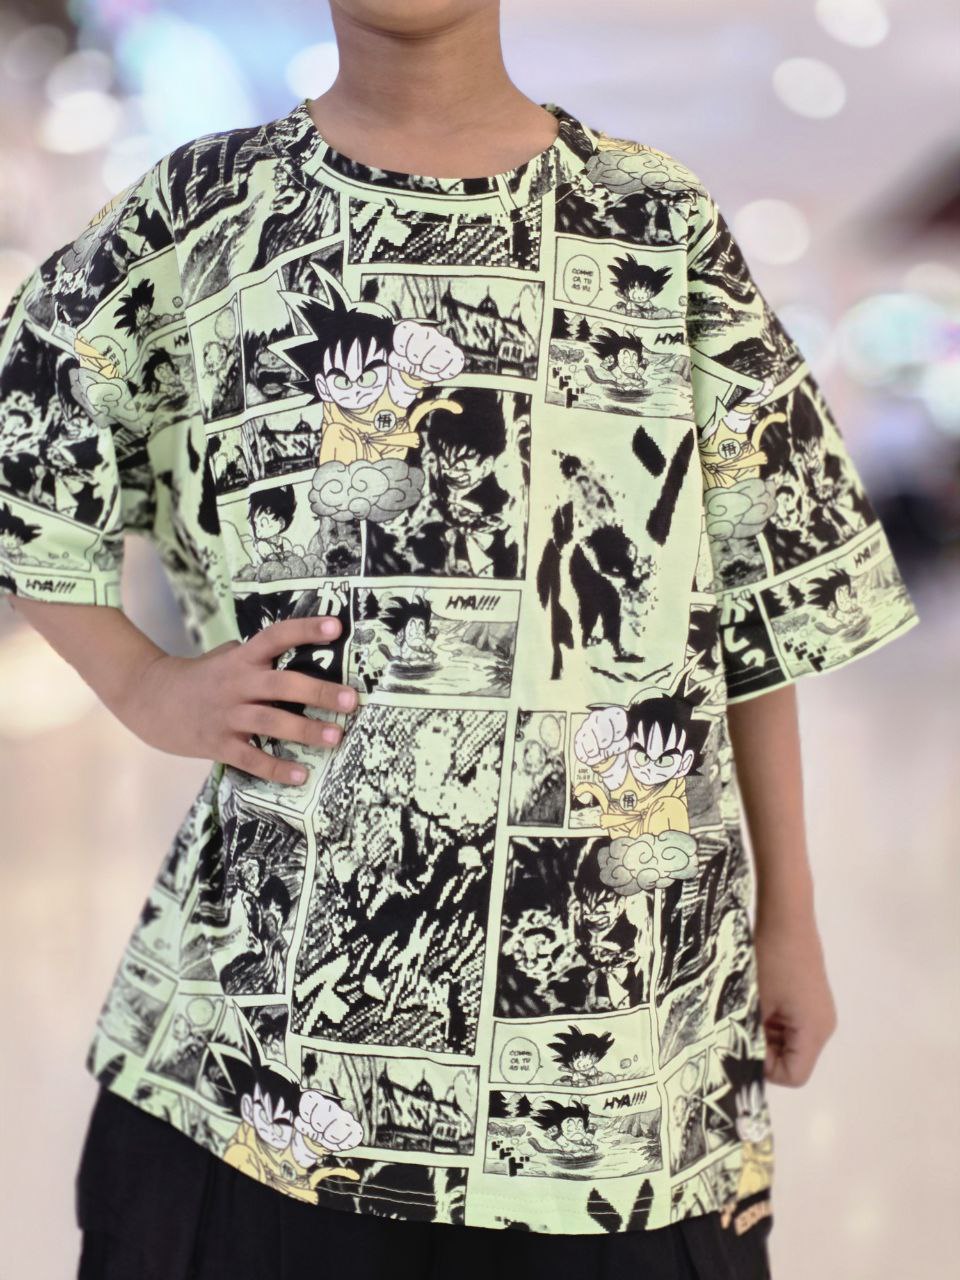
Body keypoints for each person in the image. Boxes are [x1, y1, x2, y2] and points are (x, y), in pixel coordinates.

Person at [0, 2, 921, 1278]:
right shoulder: (202, 214)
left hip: (619, 1046)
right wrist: (141, 682)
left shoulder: (655, 222)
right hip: (273, 1039)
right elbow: (27, 444)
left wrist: (791, 914)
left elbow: (754, 594)